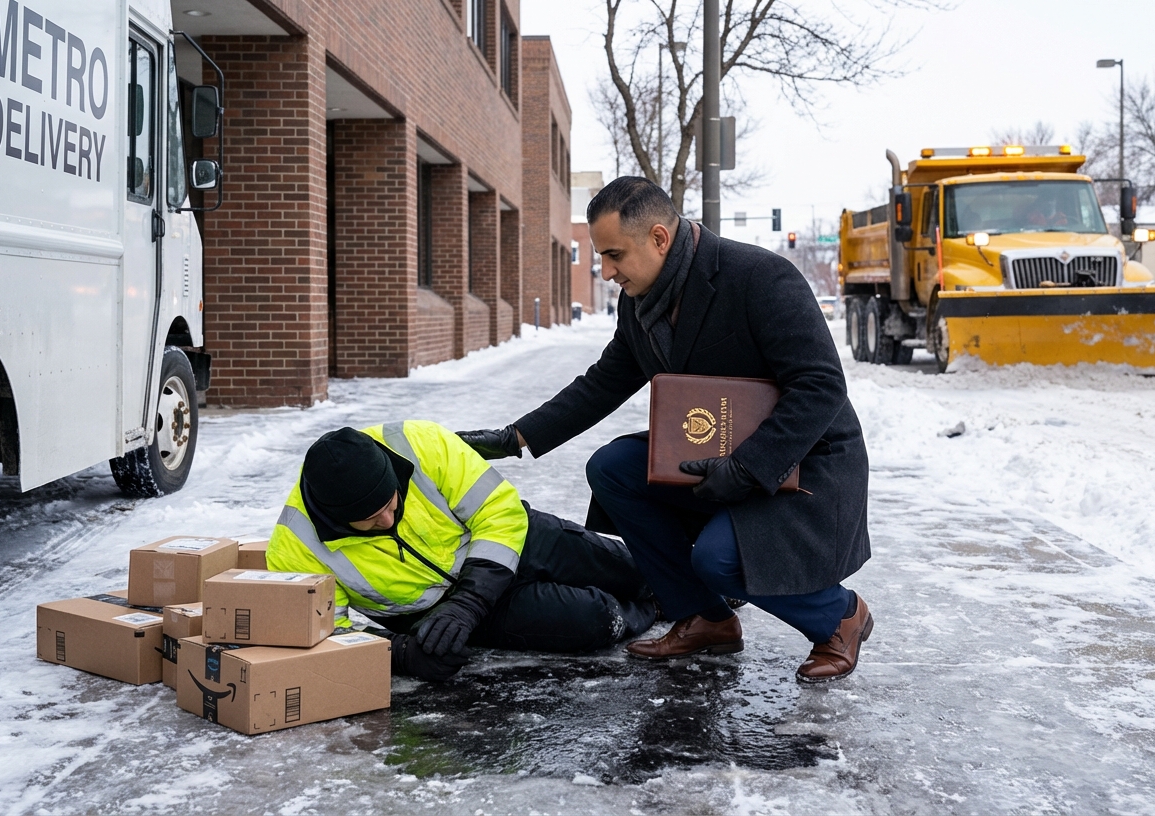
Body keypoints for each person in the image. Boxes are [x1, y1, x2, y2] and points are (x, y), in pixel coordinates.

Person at [457, 177, 874, 684]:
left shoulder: (760, 277)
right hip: (717, 450)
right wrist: (515, 437)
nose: (605, 271)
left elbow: (821, 386)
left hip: (803, 458)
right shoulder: (641, 301)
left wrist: (746, 468)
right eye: (600, 258)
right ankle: (707, 618)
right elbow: (605, 382)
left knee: (717, 559)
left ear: (658, 238)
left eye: (614, 255)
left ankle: (839, 615)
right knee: (611, 468)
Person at [267, 421, 656, 681]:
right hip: (442, 611)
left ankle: (670, 592)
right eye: (369, 519)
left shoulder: (420, 444)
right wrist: (399, 654)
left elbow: (499, 512)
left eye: (391, 503)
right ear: (333, 517)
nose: (387, 521)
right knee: (593, 619)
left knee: (635, 569)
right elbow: (324, 635)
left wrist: (470, 599)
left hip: (510, 539)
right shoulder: (294, 548)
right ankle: (651, 610)